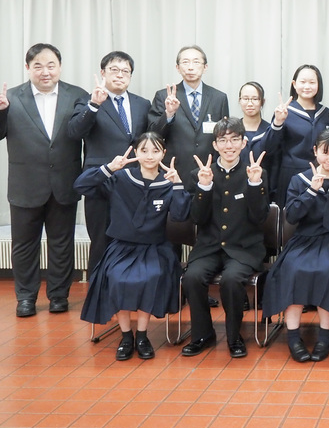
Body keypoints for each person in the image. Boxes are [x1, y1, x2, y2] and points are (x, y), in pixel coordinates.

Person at [76, 133, 191, 361]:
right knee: (118, 278)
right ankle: (126, 336)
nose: (149, 156)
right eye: (144, 150)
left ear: (163, 154)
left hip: (155, 248)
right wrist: (109, 168)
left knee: (150, 277)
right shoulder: (121, 177)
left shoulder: (168, 182)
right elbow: (81, 185)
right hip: (122, 247)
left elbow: (180, 216)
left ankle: (142, 336)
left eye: (155, 151)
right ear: (136, 152)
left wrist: (178, 184)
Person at [0, 43, 88, 318]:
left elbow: (84, 131)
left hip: (64, 182)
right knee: (24, 245)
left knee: (62, 243)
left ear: (60, 67)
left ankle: (59, 296)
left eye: (51, 65)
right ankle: (26, 298)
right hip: (25, 185)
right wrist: (1, 111)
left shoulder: (78, 95)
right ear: (28, 68)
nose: (45, 71)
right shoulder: (11, 97)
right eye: (38, 66)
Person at [263, 129, 329, 362]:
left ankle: (325, 337)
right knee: (293, 269)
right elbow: (292, 216)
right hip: (304, 239)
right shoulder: (300, 180)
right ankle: (293, 337)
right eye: (325, 152)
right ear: (315, 151)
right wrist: (312, 190)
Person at [180, 117, 269, 359]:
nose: (229, 145)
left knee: (231, 280)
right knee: (192, 277)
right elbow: (197, 218)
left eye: (234, 139)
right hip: (209, 247)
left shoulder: (256, 172)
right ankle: (202, 334)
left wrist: (254, 184)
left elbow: (260, 217)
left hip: (243, 248)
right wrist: (204, 187)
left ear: (244, 143)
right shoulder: (200, 174)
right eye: (223, 140)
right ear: (215, 145)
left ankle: (234, 336)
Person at [68, 51, 151, 275]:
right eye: (114, 70)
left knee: (133, 240)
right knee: (101, 241)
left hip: (135, 183)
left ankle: (128, 285)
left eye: (126, 71)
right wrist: (94, 105)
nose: (120, 75)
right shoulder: (88, 100)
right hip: (101, 183)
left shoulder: (142, 104)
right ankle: (98, 288)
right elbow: (74, 132)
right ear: (103, 73)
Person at [148, 45, 230, 188]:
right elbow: (153, 136)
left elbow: (224, 137)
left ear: (205, 67)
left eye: (196, 62)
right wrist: (169, 113)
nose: (190, 67)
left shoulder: (219, 98)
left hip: (209, 171)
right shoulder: (164, 96)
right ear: (178, 68)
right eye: (185, 62)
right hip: (174, 171)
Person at [266, 64, 329, 206]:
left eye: (312, 82)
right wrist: (278, 122)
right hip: (291, 174)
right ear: (294, 84)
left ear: (318, 85)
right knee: (292, 215)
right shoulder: (284, 112)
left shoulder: (328, 114)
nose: (307, 86)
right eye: (303, 82)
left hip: (321, 174)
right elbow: (269, 148)